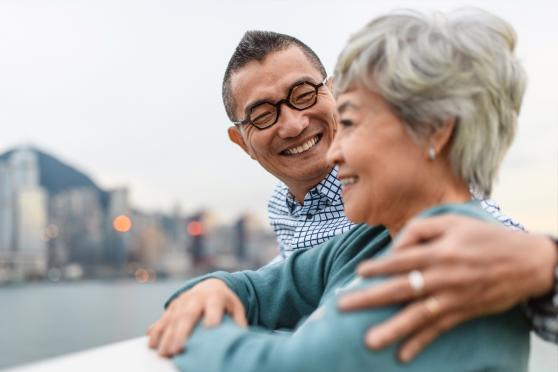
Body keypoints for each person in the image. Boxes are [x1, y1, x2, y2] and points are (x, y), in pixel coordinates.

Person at [149, 9, 535, 371]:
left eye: (350, 122)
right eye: (264, 114)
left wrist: (194, 329)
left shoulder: (448, 262)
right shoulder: (370, 236)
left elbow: (282, 366)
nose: (332, 150)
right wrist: (211, 289)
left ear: (435, 130)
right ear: (242, 140)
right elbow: (270, 284)